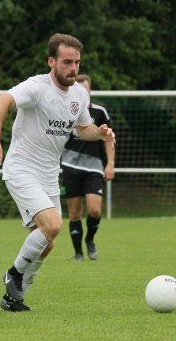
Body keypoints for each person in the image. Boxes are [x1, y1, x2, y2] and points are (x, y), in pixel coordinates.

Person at [0, 33, 116, 312]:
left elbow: (83, 128)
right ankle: (14, 274)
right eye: (67, 62)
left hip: (48, 174)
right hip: (22, 167)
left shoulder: (80, 94)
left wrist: (102, 132)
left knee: (47, 244)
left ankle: (13, 299)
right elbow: (0, 101)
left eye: (77, 63)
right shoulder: (37, 87)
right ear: (52, 61)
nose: (73, 68)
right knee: (53, 226)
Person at [60, 74, 115, 262]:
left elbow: (107, 138)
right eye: (79, 88)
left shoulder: (100, 112)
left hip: (94, 167)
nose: (83, 92)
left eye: (86, 89)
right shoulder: (64, 110)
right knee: (74, 212)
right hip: (70, 166)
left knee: (94, 211)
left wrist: (110, 163)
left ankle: (90, 240)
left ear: (90, 90)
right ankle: (78, 253)